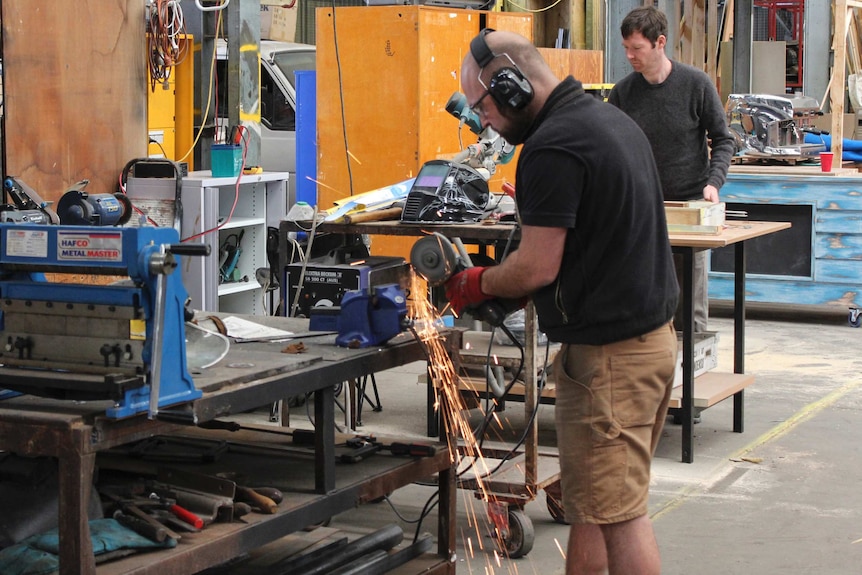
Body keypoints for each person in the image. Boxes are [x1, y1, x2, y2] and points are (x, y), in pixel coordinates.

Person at [446, 29, 679, 575]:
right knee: (594, 510)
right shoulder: (608, 120)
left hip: (611, 363)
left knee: (620, 517)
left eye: (484, 107)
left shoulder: (553, 146)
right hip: (647, 346)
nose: (487, 124)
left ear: (511, 86)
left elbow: (535, 266)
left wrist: (476, 283)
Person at [608, 5, 735, 334]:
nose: (630, 56)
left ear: (660, 42)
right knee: (640, 300)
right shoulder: (623, 93)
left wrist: (713, 183)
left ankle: (693, 374)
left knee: (687, 307)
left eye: (637, 48)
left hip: (689, 209)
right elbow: (608, 148)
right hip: (640, 211)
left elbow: (724, 140)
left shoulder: (696, 85)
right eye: (626, 48)